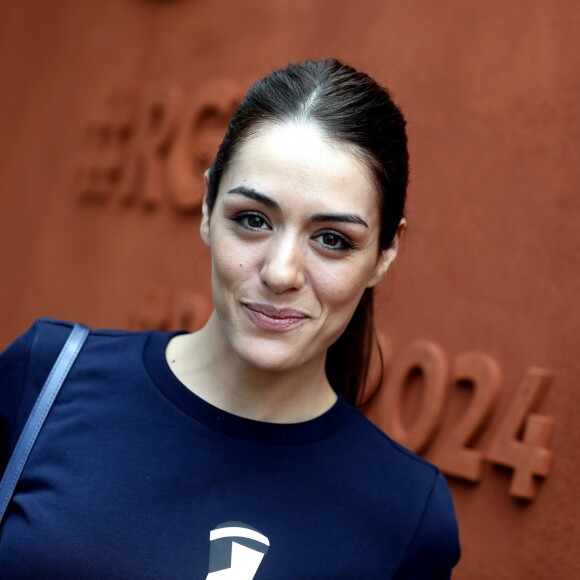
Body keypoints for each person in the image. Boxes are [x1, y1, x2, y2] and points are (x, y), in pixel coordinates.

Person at [0, 59, 460, 578]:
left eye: (332, 239)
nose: (281, 272)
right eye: (253, 220)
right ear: (207, 208)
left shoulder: (407, 515)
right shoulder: (47, 378)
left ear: (384, 253)